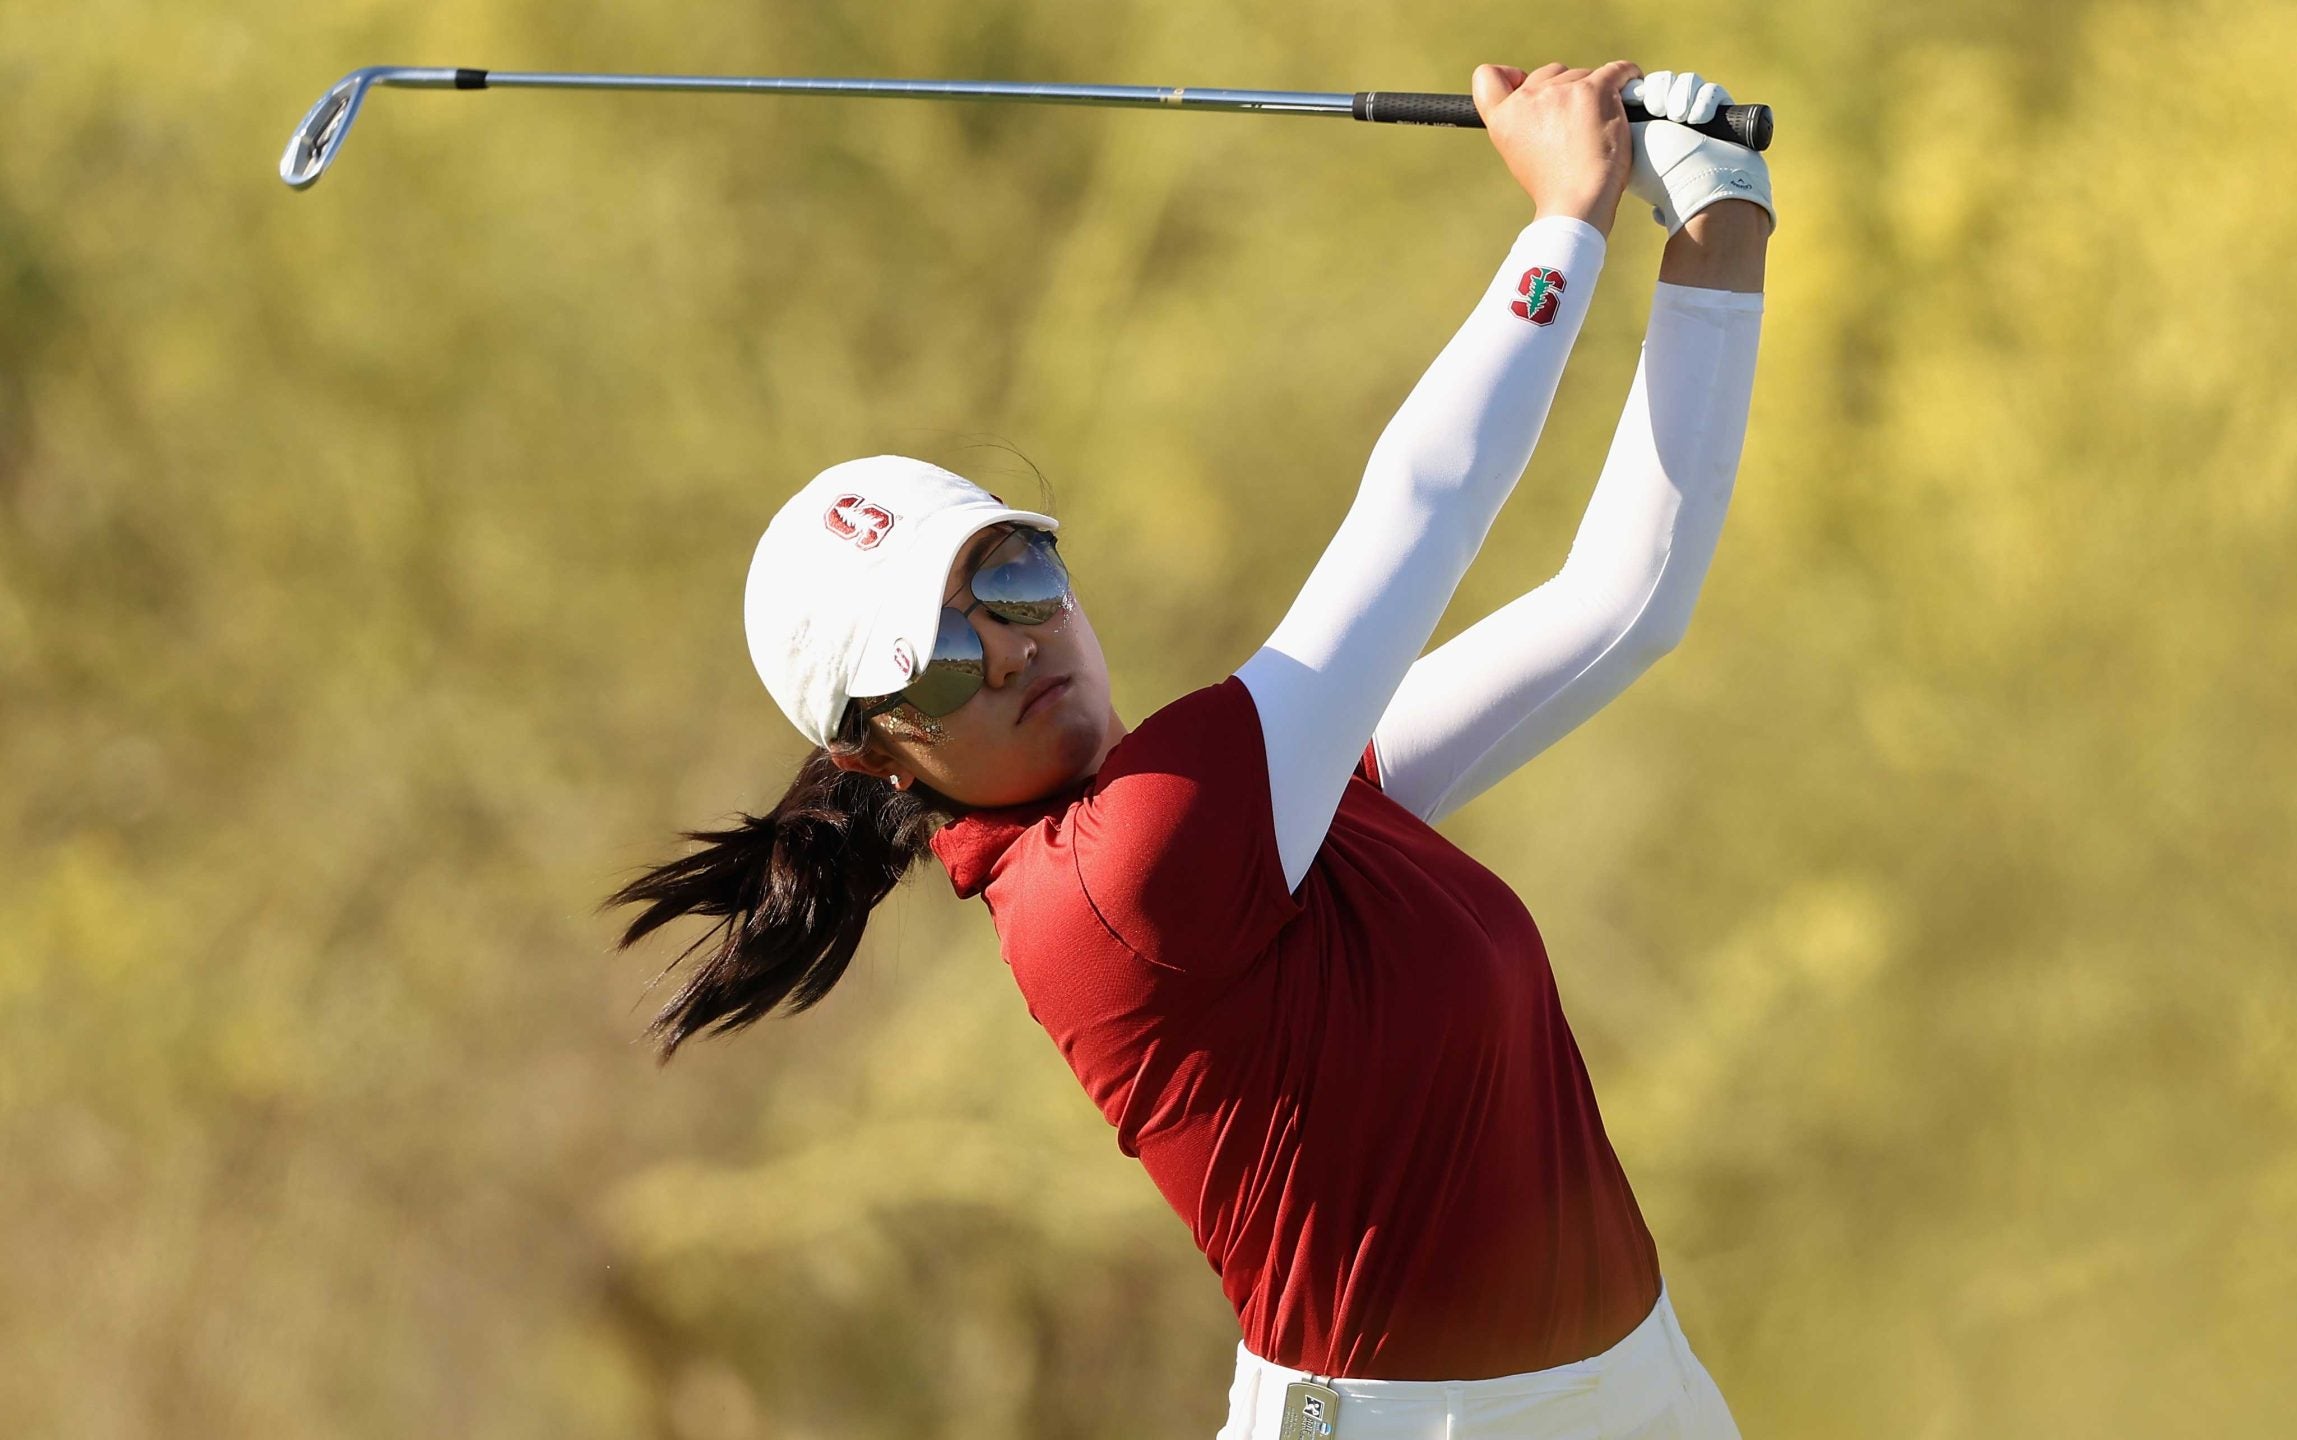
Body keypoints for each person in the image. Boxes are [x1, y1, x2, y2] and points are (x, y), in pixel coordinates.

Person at [614, 58, 1773, 1440]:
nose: (1010, 647)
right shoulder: (1139, 861)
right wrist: (1562, 224)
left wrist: (1718, 225)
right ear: (879, 761)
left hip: (1641, 1393)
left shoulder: (1262, 809)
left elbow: (1620, 608)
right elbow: (1422, 509)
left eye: (1014, 576)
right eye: (932, 657)